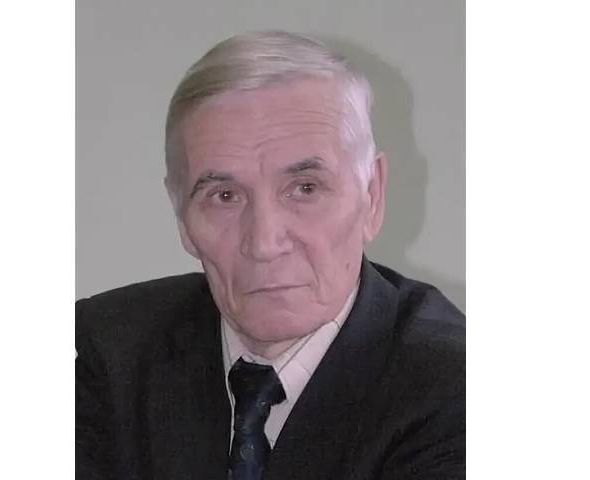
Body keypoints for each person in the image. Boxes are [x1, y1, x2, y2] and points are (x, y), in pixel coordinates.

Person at [76, 31, 465, 480]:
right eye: (224, 196)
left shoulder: (455, 388)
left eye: (305, 189)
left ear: (372, 196)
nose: (263, 243)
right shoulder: (107, 352)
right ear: (181, 216)